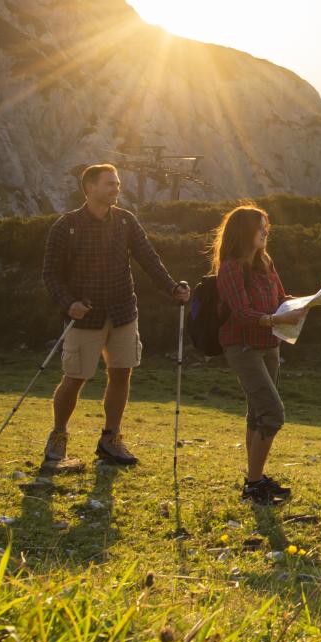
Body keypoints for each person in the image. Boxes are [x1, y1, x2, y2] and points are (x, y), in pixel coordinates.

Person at [39, 163, 189, 467]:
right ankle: (58, 436)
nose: (117, 189)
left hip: (123, 313)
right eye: (110, 184)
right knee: (75, 377)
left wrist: (172, 288)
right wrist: (69, 304)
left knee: (122, 373)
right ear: (90, 187)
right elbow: (51, 274)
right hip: (85, 316)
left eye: (117, 184)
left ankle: (110, 439)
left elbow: (148, 258)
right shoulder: (66, 226)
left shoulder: (125, 221)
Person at [210, 203, 303, 505]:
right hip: (243, 347)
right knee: (273, 413)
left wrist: (299, 304)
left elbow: (277, 299)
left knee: (257, 413)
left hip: (269, 345)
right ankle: (252, 485)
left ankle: (256, 479)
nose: (265, 232)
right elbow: (242, 314)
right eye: (260, 227)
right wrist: (278, 319)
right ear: (244, 232)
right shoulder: (230, 268)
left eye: (267, 226)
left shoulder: (266, 263)